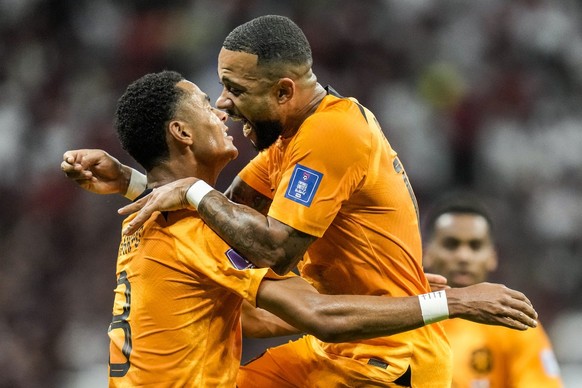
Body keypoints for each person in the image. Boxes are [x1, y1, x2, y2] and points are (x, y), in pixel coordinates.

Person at [61, 16, 537, 387]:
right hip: (338, 346)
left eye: (234, 90)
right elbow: (220, 218)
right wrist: (140, 182)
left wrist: (448, 301)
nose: (224, 104)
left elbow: (256, 240)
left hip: (389, 360)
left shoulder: (329, 133)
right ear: (181, 134)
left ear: (284, 91)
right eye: (215, 96)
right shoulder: (281, 151)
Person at [423, 193, 563, 388]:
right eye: (451, 244)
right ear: (427, 253)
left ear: (492, 257)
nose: (463, 256)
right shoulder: (404, 315)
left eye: (475, 246)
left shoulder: (515, 323)